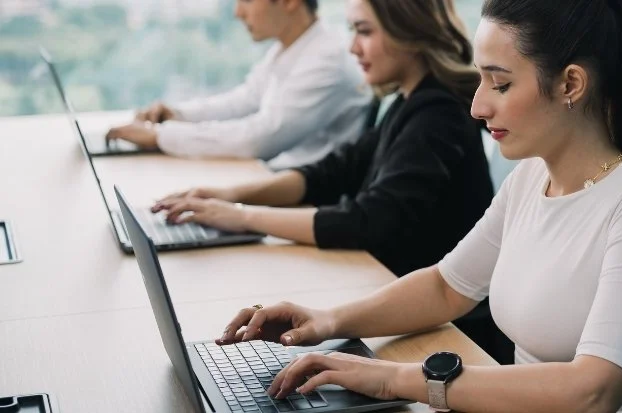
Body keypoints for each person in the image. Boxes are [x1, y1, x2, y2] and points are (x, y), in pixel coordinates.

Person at [214, 0, 622, 411]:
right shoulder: (531, 179)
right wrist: (326, 321)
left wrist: (394, 380)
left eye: (500, 83)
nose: (477, 105)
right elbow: (446, 287)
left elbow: (592, 392)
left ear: (571, 85)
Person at [154, 0, 510, 362]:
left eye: (364, 31)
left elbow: (367, 220)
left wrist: (243, 216)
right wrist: (228, 197)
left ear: (411, 31)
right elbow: (330, 172)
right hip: (393, 298)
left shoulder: (438, 113)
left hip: (447, 334)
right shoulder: (408, 103)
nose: (353, 47)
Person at [105, 0, 371, 170]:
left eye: (246, 0)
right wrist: (178, 115)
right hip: (274, 179)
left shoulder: (328, 59)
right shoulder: (289, 48)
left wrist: (161, 137)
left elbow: (260, 138)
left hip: (308, 199)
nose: (237, 12)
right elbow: (243, 101)